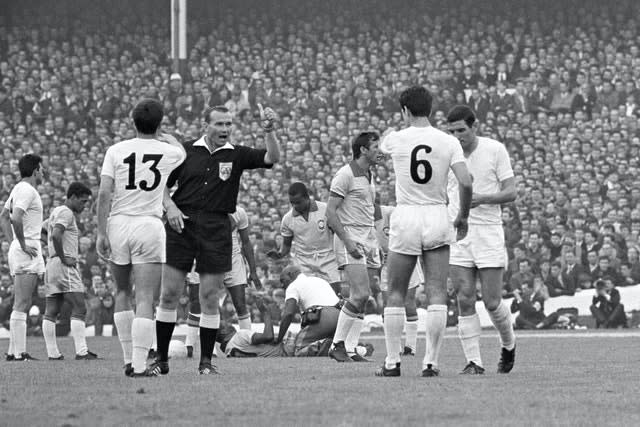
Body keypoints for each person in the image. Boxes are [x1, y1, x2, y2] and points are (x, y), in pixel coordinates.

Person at [155, 104, 279, 375]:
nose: (225, 129)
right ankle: (161, 359)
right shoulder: (185, 151)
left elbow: (271, 157)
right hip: (181, 225)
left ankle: (206, 363)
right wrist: (170, 207)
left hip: (216, 227)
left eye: (228, 124)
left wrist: (269, 131)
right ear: (206, 126)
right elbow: (161, 184)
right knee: (170, 294)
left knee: (209, 296)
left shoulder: (237, 154)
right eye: (219, 124)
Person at [376, 87, 473, 377]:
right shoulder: (448, 141)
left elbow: (381, 147)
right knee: (436, 293)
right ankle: (430, 362)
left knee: (395, 291)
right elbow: (466, 183)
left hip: (406, 214)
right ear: (431, 109)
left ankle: (393, 362)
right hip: (436, 214)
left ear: (405, 110)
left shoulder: (395, 139)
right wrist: (463, 216)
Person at [97, 98, 186, 377]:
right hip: (148, 224)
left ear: (132, 122)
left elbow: (103, 194)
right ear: (159, 124)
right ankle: (138, 364)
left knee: (122, 292)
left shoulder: (115, 150)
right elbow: (182, 153)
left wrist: (101, 231)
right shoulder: (169, 152)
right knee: (146, 297)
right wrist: (168, 137)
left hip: (118, 222)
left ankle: (126, 358)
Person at [444, 105, 517, 375]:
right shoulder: (446, 153)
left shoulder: (495, 150)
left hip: (488, 232)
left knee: (492, 301)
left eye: (461, 130)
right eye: (452, 131)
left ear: (474, 127)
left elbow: (511, 192)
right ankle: (474, 362)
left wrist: (483, 198)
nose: (457, 136)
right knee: (464, 297)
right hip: (459, 233)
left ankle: (508, 344)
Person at [326, 131, 383, 362]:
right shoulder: (345, 174)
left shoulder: (369, 174)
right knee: (360, 293)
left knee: (366, 295)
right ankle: (336, 345)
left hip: (368, 237)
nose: (380, 150)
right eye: (376, 147)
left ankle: (350, 348)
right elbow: (330, 212)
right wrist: (348, 241)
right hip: (351, 237)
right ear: (363, 150)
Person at [42, 182, 98, 360]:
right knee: (80, 306)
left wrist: (52, 251)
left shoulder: (55, 211)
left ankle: (53, 354)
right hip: (63, 264)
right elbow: (56, 234)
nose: (84, 205)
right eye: (82, 201)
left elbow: (43, 232)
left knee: (52, 309)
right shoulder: (66, 212)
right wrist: (63, 256)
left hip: (52, 264)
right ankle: (81, 352)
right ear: (72, 197)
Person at [1, 154, 46, 361]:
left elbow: (4, 217)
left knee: (21, 301)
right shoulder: (28, 190)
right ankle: (19, 353)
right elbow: (15, 217)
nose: (43, 172)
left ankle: (13, 351)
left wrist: (13, 243)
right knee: (23, 302)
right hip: (27, 247)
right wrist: (21, 243)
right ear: (36, 170)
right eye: (42, 169)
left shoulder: (18, 188)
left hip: (21, 248)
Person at [268, 182, 342, 295]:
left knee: (334, 295)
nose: (295, 206)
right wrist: (280, 254)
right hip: (305, 264)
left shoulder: (325, 209)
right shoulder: (287, 219)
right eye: (292, 203)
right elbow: (286, 245)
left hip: (329, 259)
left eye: (298, 202)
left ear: (307, 197)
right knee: (310, 299)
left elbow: (338, 234)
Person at [376, 203, 423, 356]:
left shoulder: (391, 212)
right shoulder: (360, 217)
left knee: (408, 302)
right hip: (385, 265)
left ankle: (410, 347)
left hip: (406, 258)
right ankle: (394, 348)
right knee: (387, 305)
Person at [275, 265, 346, 357]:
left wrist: (279, 339)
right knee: (338, 347)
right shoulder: (319, 280)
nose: (282, 285)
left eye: (282, 280)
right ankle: (361, 349)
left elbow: (288, 314)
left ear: (290, 274)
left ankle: (323, 346)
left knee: (298, 350)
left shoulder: (293, 286)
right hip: (340, 316)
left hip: (322, 317)